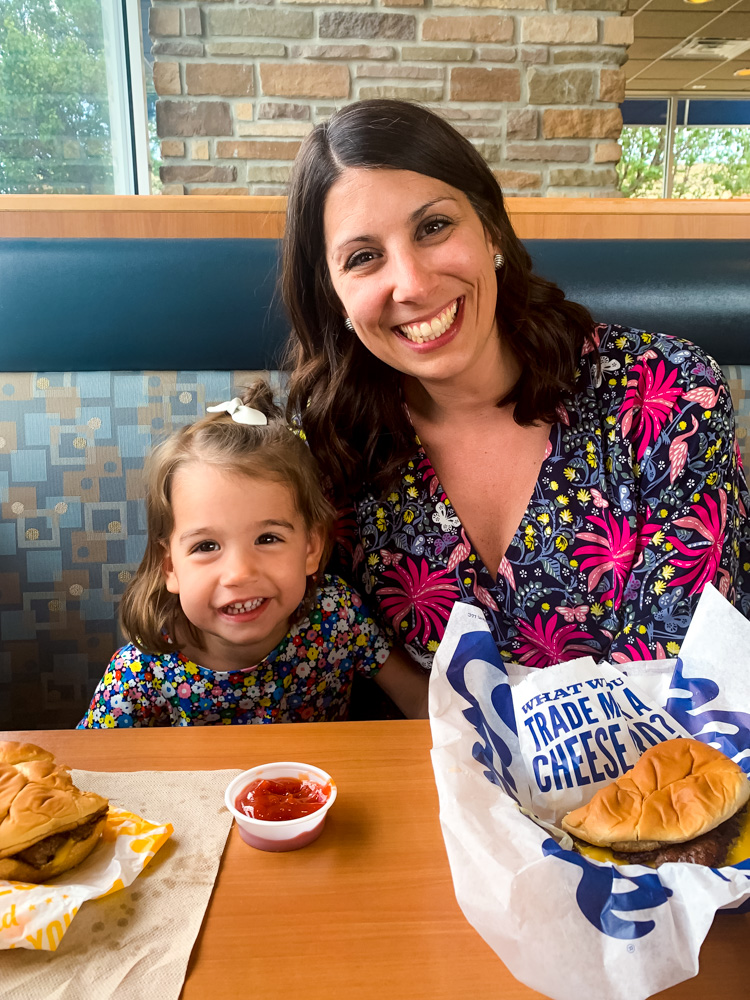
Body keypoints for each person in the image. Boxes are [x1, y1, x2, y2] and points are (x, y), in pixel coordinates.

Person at [281, 98, 750, 678]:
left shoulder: (667, 391)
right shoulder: (329, 449)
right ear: (333, 295)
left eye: (433, 227)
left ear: (492, 230)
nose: (413, 283)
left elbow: (685, 671)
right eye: (364, 257)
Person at [78, 382, 428, 727]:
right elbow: (88, 764)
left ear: (311, 547)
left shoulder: (338, 618)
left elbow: (421, 702)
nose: (240, 573)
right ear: (170, 566)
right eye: (206, 546)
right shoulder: (144, 670)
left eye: (267, 538)